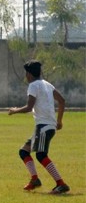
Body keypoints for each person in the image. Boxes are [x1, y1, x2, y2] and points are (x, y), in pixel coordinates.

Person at [8, 60, 70, 194]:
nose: (25, 76)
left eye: (26, 73)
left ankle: (61, 183)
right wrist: (59, 121)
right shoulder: (47, 84)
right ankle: (35, 179)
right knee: (24, 151)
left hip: (43, 127)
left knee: (41, 155)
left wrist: (15, 110)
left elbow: (29, 107)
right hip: (47, 126)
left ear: (29, 74)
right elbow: (62, 100)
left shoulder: (33, 85)